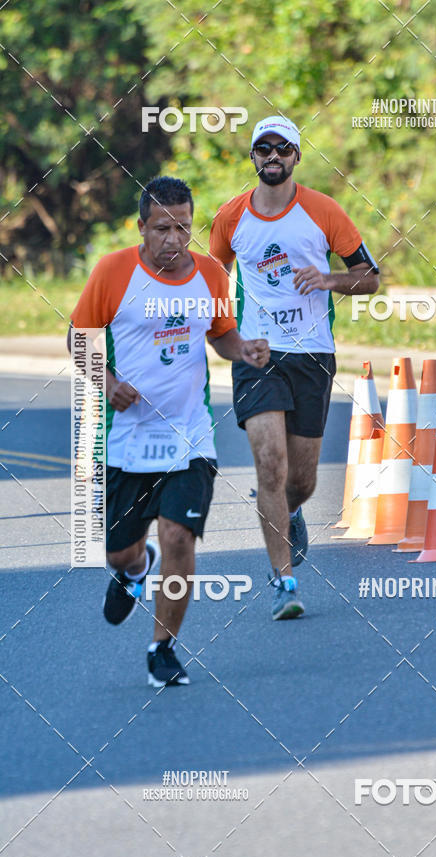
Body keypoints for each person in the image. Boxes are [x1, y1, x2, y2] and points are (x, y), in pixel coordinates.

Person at [68, 176, 269, 686]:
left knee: (179, 537)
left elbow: (221, 335)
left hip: (189, 436)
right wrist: (107, 381)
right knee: (119, 551)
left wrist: (241, 349)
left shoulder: (209, 274)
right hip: (127, 441)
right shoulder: (113, 272)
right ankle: (135, 570)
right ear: (141, 228)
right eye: (162, 228)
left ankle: (163, 647)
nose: (174, 239)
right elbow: (78, 339)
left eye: (183, 227)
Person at [209, 116, 380, 621]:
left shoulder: (324, 211)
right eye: (264, 149)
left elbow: (369, 278)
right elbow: (212, 282)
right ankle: (284, 580)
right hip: (257, 357)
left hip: (312, 356)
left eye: (283, 149)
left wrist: (328, 278)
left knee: (299, 482)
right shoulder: (230, 218)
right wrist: (229, 341)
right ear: (253, 157)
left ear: (297, 157)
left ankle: (294, 510)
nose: (273, 157)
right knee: (270, 466)